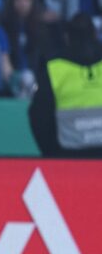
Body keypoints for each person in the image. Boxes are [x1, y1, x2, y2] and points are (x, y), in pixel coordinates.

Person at [29, 13, 102, 158]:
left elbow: (39, 117)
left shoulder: (54, 69)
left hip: (68, 157)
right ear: (95, 34)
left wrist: (53, 154)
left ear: (67, 37)